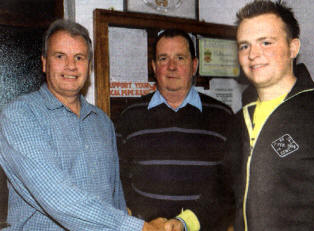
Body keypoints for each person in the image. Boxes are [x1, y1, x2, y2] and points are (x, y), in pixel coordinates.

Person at [0, 19, 182, 231]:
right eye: (60, 56)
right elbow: (59, 198)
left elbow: (116, 201)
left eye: (79, 57)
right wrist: (141, 228)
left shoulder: (103, 123)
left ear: (89, 65)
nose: (71, 65)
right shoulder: (20, 116)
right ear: (44, 62)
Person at [233, 1, 314, 230]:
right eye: (244, 46)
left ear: (293, 48)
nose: (253, 54)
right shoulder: (239, 119)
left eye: (266, 42)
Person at [116, 29, 241, 231]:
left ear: (194, 66)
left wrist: (188, 222)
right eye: (163, 58)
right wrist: (143, 223)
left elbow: (229, 187)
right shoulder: (129, 116)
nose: (171, 67)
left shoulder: (223, 116)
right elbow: (118, 181)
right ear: (154, 67)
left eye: (180, 58)